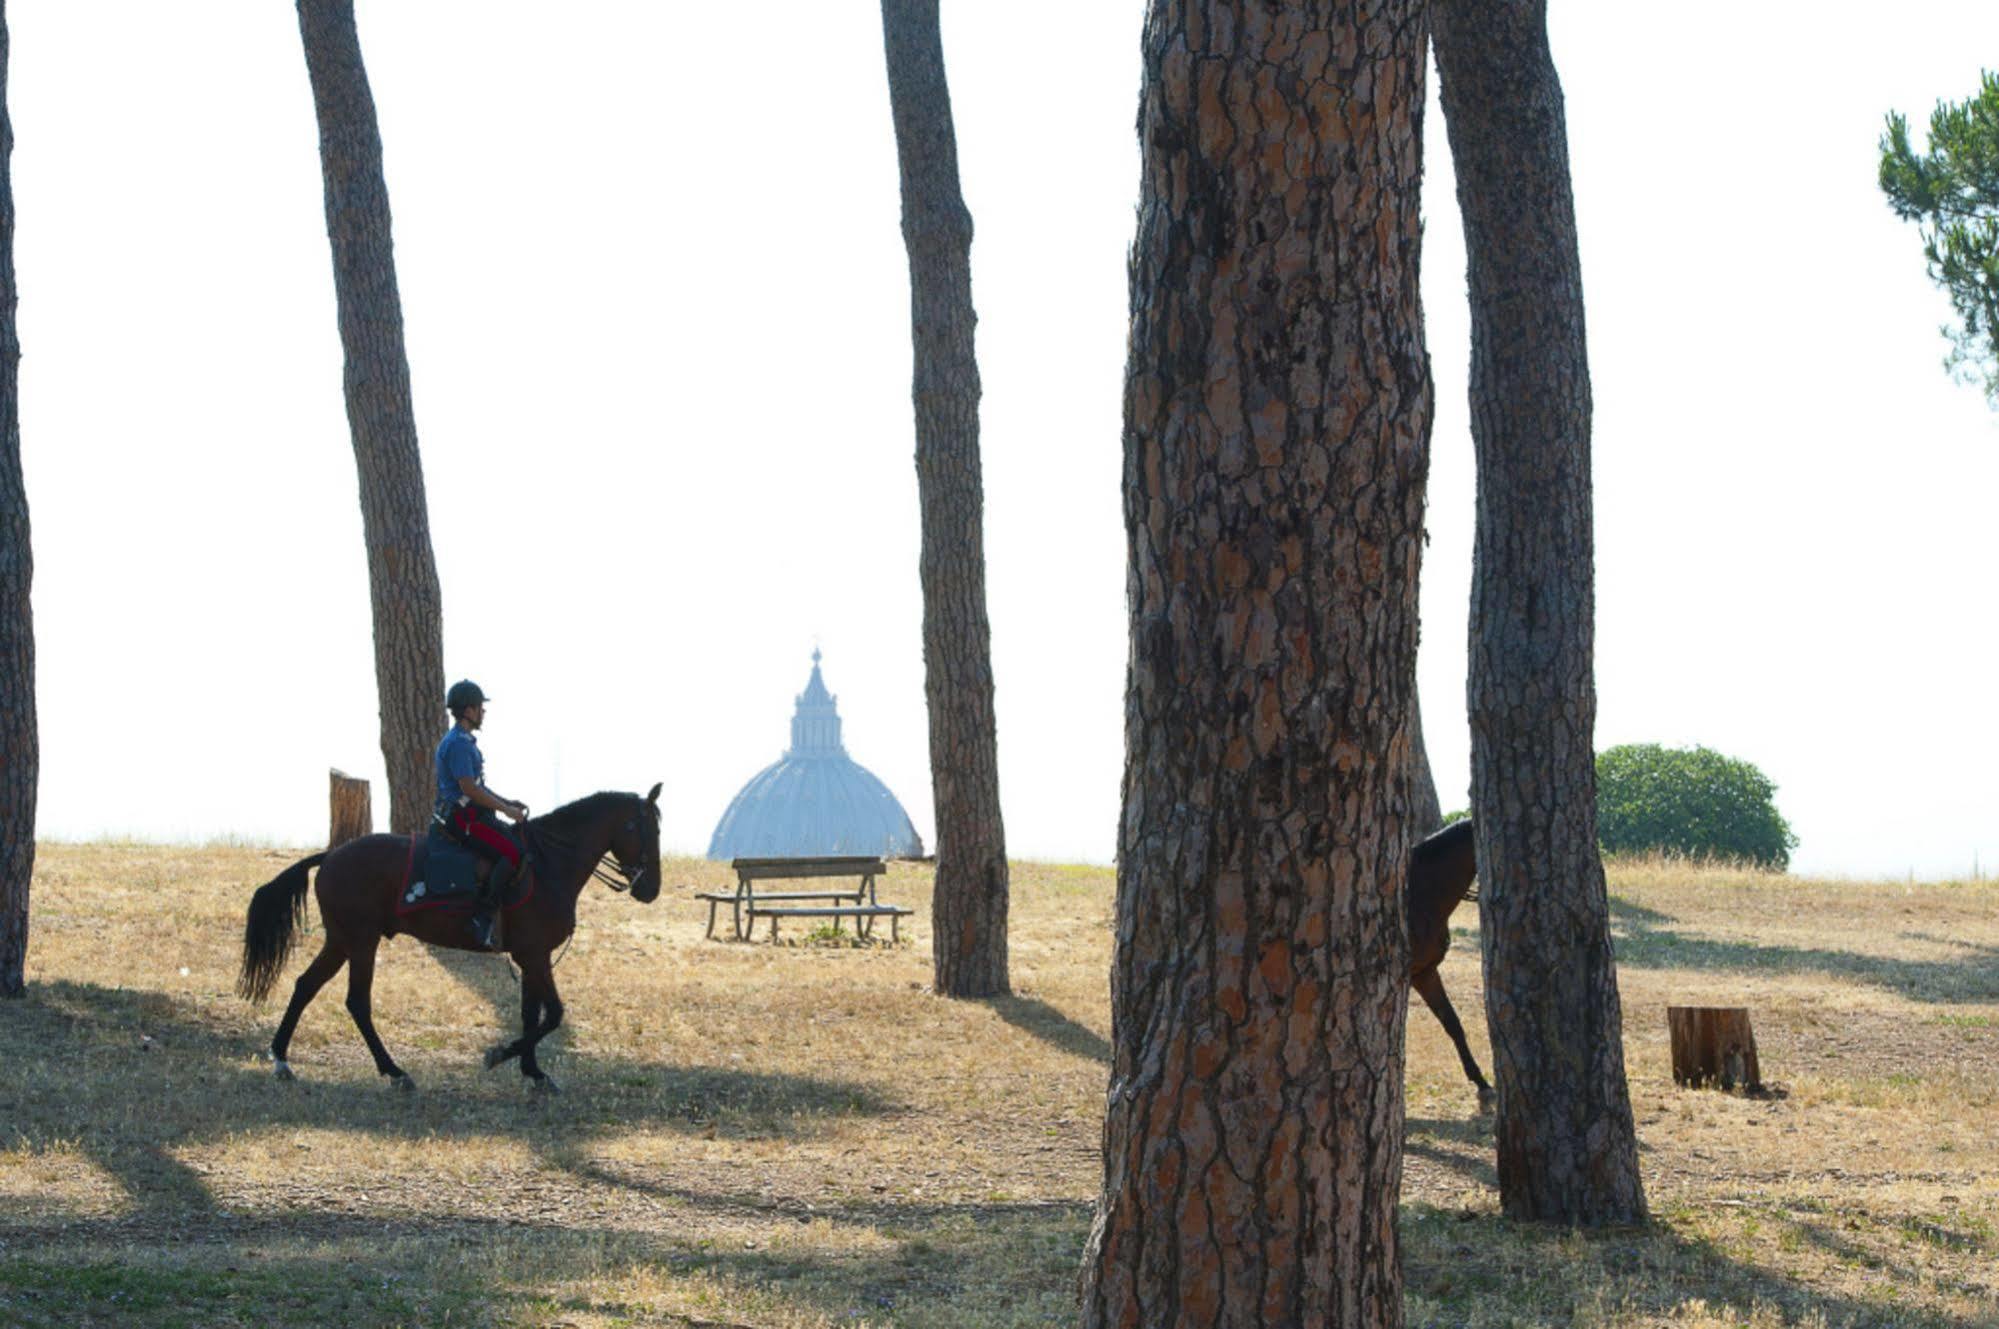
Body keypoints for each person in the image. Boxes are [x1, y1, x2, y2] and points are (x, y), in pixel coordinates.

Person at [434, 679, 530, 950]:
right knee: (513, 853)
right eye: (479, 707)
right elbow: (467, 788)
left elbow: (478, 787)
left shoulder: (463, 741)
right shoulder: (460, 745)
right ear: (468, 711)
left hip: (473, 813)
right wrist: (507, 810)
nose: (483, 712)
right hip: (463, 819)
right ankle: (482, 917)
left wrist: (505, 801)